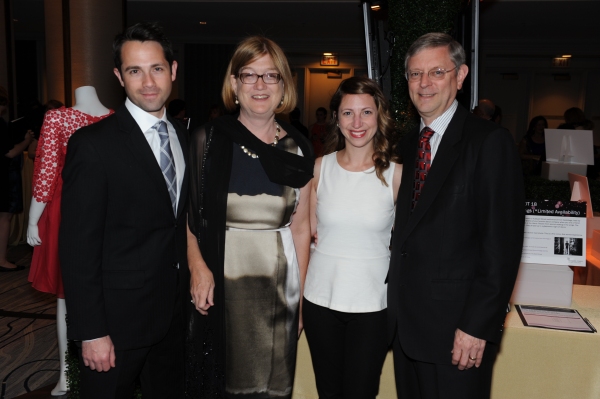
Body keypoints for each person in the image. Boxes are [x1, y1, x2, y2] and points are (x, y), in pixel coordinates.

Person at [388, 32, 525, 399]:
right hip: (406, 329)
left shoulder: (489, 142)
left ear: (460, 76)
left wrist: (477, 326)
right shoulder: (405, 145)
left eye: (436, 72)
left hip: (458, 334)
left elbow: (502, 248)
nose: (424, 83)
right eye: (415, 74)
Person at [59, 22, 188, 398]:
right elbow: (77, 248)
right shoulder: (92, 145)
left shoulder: (185, 136)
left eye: (157, 68)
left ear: (173, 70)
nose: (148, 82)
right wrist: (92, 331)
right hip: (116, 325)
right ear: (119, 76)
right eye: (135, 70)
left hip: (174, 317)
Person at [186, 35, 314, 398]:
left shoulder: (299, 147)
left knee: (274, 386)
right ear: (234, 84)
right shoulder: (207, 140)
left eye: (271, 76)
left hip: (279, 291)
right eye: (249, 75)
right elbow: (190, 217)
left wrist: (301, 301)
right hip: (220, 287)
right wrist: (197, 267)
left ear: (284, 85)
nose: (260, 85)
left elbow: (302, 229)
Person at [303, 76, 402, 398]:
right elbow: (303, 235)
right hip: (320, 301)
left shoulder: (398, 175)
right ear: (336, 118)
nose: (357, 123)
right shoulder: (318, 169)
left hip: (374, 307)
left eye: (366, 112)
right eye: (347, 113)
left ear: (380, 116)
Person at [27, 86, 113, 396]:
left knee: (67, 296)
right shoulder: (114, 118)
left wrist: (32, 218)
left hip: (68, 210)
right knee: (104, 291)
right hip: (108, 211)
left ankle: (67, 373)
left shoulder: (57, 118)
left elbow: (47, 170)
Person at [0, 85, 33, 272]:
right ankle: (2, 260)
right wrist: (27, 141)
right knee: (4, 218)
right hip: (2, 176)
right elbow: (10, 153)